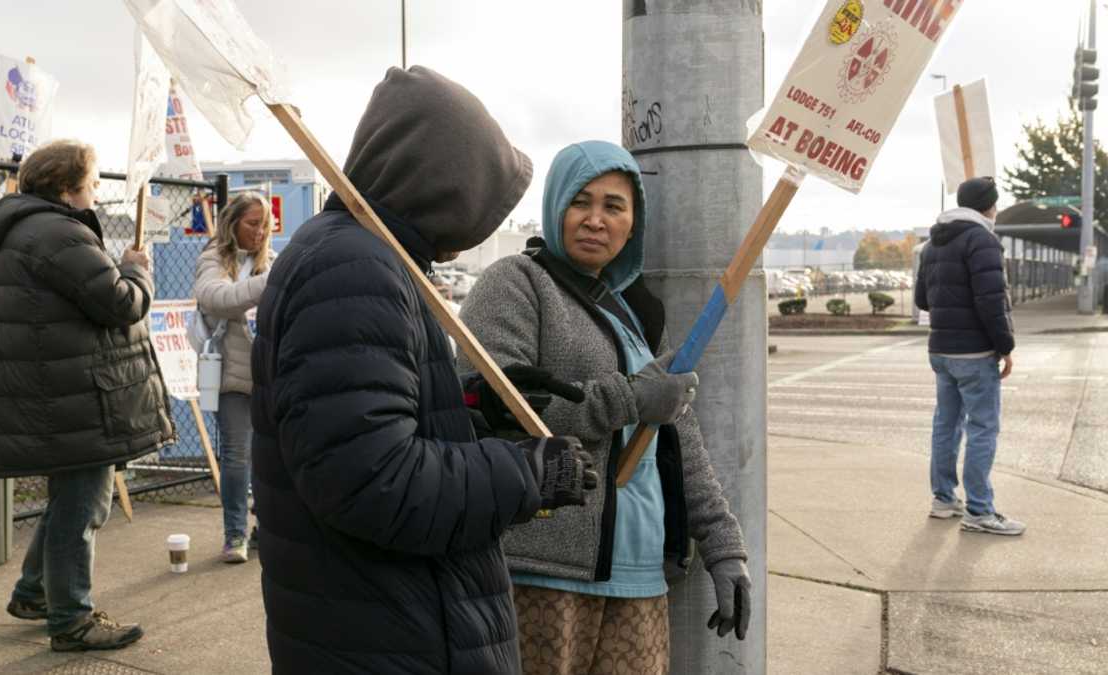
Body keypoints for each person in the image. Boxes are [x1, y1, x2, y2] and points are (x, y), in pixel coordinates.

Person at [250, 66, 599, 674]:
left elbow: (371, 420)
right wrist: (526, 474)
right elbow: (369, 478)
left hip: (388, 625)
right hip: (393, 635)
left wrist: (474, 406)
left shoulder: (360, 255)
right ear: (442, 187)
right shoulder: (354, 265)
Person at [457, 140, 751, 675]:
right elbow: (496, 407)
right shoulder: (516, 284)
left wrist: (724, 548)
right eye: (580, 202)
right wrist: (633, 397)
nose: (596, 220)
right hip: (541, 570)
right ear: (554, 207)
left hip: (639, 576)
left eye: (614, 206)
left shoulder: (633, 313)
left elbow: (679, 438)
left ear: (633, 222)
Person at [0, 139, 175, 651]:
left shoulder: (24, 229)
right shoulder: (58, 233)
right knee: (82, 509)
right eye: (90, 183)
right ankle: (72, 620)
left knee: (70, 501)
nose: (94, 191)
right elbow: (120, 303)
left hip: (52, 394)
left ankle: (35, 591)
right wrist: (137, 269)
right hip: (74, 397)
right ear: (67, 189)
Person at [915, 176, 1022, 535]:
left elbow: (921, 301)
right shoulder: (982, 240)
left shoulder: (933, 243)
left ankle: (944, 500)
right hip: (975, 352)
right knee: (982, 429)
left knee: (946, 425)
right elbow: (991, 301)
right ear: (988, 205)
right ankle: (979, 511)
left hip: (940, 350)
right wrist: (1005, 346)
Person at [193, 191, 274, 563]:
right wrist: (270, 283)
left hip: (269, 376)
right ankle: (235, 535)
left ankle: (267, 528)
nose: (259, 233)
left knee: (271, 458)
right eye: (251, 224)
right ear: (232, 224)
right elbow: (216, 298)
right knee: (237, 456)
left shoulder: (269, 262)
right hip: (231, 377)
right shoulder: (214, 258)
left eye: (264, 225)